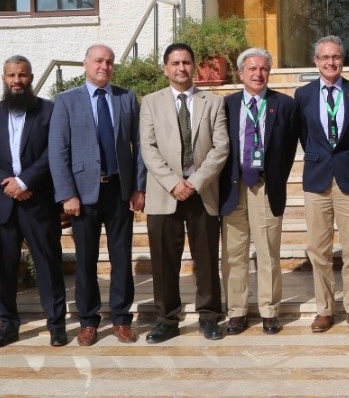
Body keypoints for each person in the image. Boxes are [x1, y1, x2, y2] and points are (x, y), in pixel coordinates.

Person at [48, 44, 144, 347]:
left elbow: (139, 145)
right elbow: (58, 151)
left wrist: (138, 187)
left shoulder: (126, 98)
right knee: (86, 260)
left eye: (110, 62)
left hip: (119, 190)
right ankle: (88, 321)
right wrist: (67, 194)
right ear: (86, 63)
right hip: (82, 193)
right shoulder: (66, 101)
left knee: (121, 257)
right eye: (99, 61)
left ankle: (121, 318)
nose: (105, 66)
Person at [0, 55, 68, 348]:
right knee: (5, 267)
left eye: (23, 75)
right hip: (2, 203)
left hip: (38, 201)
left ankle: (56, 324)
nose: (17, 81)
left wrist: (25, 181)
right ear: (4, 78)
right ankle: (7, 325)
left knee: (48, 264)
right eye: (12, 75)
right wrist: (9, 183)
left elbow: (54, 151)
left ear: (31, 78)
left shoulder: (49, 111)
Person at [139, 42, 228, 342]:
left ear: (194, 67)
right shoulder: (150, 102)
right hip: (165, 193)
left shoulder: (213, 103)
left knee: (206, 259)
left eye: (186, 62)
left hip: (202, 191)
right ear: (165, 68)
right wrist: (173, 183)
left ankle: (209, 316)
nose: (181, 68)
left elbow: (221, 148)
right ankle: (167, 319)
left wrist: (195, 182)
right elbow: (148, 148)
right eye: (175, 63)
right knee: (164, 261)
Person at [219, 47, 301, 335]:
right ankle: (236, 311)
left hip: (265, 187)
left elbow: (289, 149)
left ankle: (269, 310)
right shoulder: (226, 105)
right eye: (252, 69)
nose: (258, 73)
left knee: (268, 252)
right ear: (240, 73)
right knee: (233, 253)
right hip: (233, 186)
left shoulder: (286, 105)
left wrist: (275, 177)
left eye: (264, 68)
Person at [294, 35, 349, 332]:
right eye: (325, 57)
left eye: (335, 56)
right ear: (316, 61)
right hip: (317, 179)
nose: (330, 62)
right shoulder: (303, 95)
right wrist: (318, 156)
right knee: (318, 248)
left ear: (342, 60)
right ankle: (325, 309)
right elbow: (304, 134)